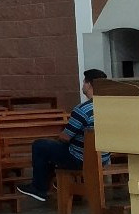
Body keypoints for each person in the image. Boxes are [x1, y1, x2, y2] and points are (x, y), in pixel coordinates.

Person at [17, 69, 110, 202]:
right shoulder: (110, 107)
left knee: (40, 146)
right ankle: (60, 185)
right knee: (51, 151)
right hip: (103, 158)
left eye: (84, 82)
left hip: (81, 159)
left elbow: (65, 137)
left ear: (89, 84)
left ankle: (39, 188)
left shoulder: (83, 110)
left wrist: (59, 138)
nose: (83, 85)